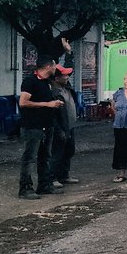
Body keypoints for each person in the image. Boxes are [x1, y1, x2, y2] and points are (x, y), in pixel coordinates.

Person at [17, 58, 65, 200]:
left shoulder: (47, 82)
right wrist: (47, 104)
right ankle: (25, 188)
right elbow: (23, 102)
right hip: (33, 125)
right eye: (55, 65)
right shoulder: (30, 81)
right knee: (30, 157)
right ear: (49, 66)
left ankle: (44, 185)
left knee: (45, 156)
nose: (56, 68)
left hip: (47, 125)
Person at [49, 65, 80, 189]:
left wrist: (68, 53)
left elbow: (69, 71)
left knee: (69, 151)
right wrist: (59, 129)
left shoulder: (66, 87)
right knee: (57, 153)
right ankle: (52, 177)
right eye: (64, 75)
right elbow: (54, 115)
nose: (67, 77)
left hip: (70, 126)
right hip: (60, 127)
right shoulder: (53, 93)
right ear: (56, 78)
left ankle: (64, 174)